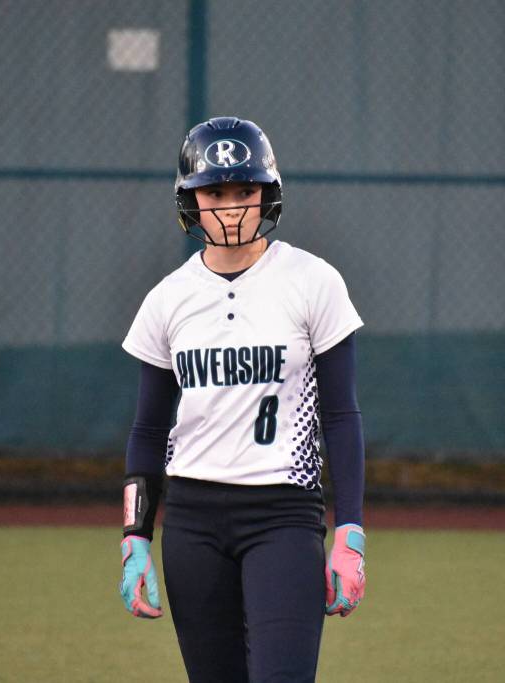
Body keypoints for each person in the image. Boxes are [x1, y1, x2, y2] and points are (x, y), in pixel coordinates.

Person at [118, 116, 366, 683]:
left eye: (244, 190)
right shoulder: (167, 300)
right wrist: (135, 538)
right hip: (191, 521)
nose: (230, 207)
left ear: (267, 194)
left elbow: (342, 415)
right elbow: (148, 431)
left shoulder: (313, 282)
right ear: (191, 200)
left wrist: (350, 528)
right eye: (214, 191)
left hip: (282, 515)